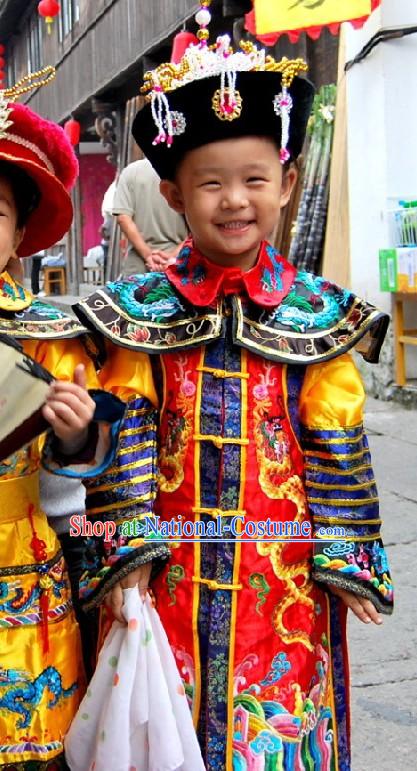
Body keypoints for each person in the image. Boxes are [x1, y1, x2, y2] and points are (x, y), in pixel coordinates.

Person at [73, 23, 393, 771]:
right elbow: (126, 426)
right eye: (210, 182)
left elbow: (334, 432)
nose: (233, 200)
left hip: (279, 577)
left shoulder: (317, 312)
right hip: (170, 573)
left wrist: (347, 555)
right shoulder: (138, 312)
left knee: (275, 729)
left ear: (285, 184)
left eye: (253, 180)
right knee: (167, 727)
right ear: (173, 193)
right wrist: (123, 557)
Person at [0, 87, 119, 769]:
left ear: (20, 234)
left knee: (35, 746)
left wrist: (75, 433)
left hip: (24, 555)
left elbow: (82, 459)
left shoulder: (50, 335)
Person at [112, 156, 188, 274]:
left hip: (138, 265)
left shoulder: (130, 172)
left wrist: (148, 255)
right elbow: (201, 222)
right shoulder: (184, 170)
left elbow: (123, 218)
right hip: (181, 261)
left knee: (136, 292)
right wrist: (172, 256)